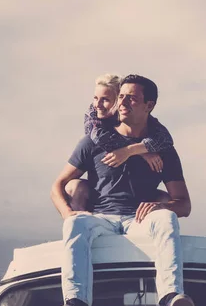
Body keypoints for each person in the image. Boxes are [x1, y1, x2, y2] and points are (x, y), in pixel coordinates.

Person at [51, 74, 194, 306]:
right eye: (121, 96)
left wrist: (161, 207)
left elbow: (183, 205)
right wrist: (69, 213)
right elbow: (58, 185)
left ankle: (172, 300)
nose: (124, 102)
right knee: (75, 224)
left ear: (148, 105)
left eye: (132, 97)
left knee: (166, 219)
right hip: (100, 218)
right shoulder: (93, 141)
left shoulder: (163, 149)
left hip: (140, 220)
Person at [67, 74, 173, 211]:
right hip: (100, 201)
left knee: (164, 198)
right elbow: (99, 137)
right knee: (74, 186)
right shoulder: (93, 116)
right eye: (95, 98)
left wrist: (136, 149)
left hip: (136, 207)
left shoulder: (143, 119)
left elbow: (165, 139)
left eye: (105, 100)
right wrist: (139, 152)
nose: (98, 105)